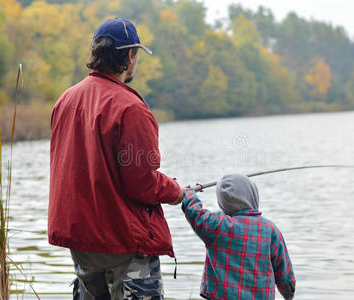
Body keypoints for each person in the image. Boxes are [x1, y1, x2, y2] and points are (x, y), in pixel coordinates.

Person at [49, 18, 185, 300]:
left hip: (83, 242)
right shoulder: (130, 108)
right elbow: (142, 183)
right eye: (136, 54)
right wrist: (176, 191)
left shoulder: (65, 100)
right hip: (122, 239)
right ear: (128, 56)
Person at [181, 174, 296, 299]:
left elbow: (195, 212)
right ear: (253, 195)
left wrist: (189, 193)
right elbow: (284, 272)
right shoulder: (271, 230)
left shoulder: (218, 226)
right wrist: (288, 294)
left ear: (223, 203)